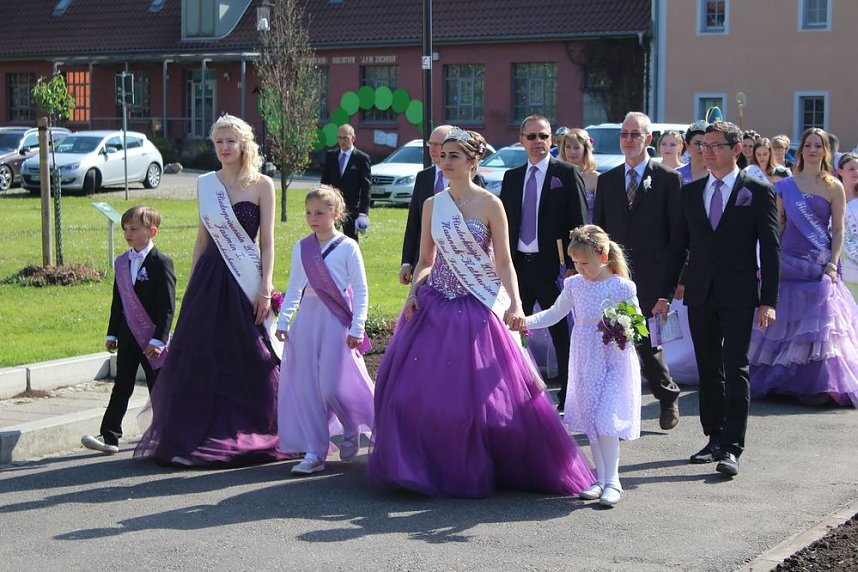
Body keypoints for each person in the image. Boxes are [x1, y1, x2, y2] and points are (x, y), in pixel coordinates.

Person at [368, 127, 595, 498]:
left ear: (473, 162)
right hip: (436, 303)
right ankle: (423, 463)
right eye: (442, 155)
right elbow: (427, 259)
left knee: (484, 400)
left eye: (454, 156)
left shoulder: (491, 204)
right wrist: (414, 291)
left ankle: (489, 462)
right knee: (418, 394)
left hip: (478, 304)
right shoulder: (432, 204)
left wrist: (517, 304)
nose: (444, 162)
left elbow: (504, 262)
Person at [134, 114, 283, 466]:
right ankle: (196, 435)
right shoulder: (205, 184)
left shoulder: (262, 185)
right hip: (210, 278)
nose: (224, 147)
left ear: (244, 143)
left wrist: (265, 287)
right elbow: (202, 237)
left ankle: (249, 428)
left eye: (230, 140)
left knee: (251, 357)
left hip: (245, 280)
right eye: (218, 142)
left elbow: (267, 242)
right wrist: (193, 282)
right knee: (201, 356)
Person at [655, 121, 780, 477]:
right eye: (702, 145)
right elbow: (678, 247)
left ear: (735, 149)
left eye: (714, 145)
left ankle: (732, 447)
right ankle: (713, 437)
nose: (706, 151)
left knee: (735, 366)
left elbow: (770, 250)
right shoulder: (691, 193)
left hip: (740, 295)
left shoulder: (756, 190)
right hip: (700, 293)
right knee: (707, 367)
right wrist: (665, 295)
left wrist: (767, 300)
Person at [526, 225, 641, 507]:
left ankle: (613, 481)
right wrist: (523, 321)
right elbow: (555, 313)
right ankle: (600, 478)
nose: (579, 268)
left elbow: (637, 322)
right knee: (592, 419)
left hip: (613, 358)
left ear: (603, 257)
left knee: (606, 419)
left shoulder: (621, 286)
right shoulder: (574, 285)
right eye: (575, 262)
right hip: (585, 359)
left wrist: (622, 327)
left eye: (584, 263)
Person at [749, 129, 858, 407]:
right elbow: (779, 227)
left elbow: (837, 230)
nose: (812, 149)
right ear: (800, 152)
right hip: (788, 262)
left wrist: (833, 263)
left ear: (825, 151)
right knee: (783, 325)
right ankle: (782, 381)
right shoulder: (785, 186)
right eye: (807, 145)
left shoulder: (834, 186)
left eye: (817, 145)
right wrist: (768, 264)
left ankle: (819, 384)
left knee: (819, 327)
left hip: (819, 266)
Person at [276, 185, 375, 475]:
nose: (313, 218)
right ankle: (314, 452)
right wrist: (284, 321)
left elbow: (360, 289)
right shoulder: (302, 247)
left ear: (336, 214)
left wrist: (358, 326)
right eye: (308, 212)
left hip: (336, 322)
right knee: (309, 389)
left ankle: (350, 427)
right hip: (307, 320)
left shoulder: (348, 247)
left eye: (319, 212)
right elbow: (294, 288)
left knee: (331, 386)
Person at [593, 111, 682, 430]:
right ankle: (611, 409)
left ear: (648, 139)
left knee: (646, 342)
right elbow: (600, 231)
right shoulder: (608, 180)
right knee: (613, 340)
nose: (629, 139)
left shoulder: (667, 180)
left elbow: (677, 236)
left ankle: (667, 395)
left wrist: (671, 286)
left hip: (651, 276)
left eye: (635, 134)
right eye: (624, 134)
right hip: (614, 276)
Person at [500, 115, 589, 411]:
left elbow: (580, 224)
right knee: (510, 331)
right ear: (521, 140)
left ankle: (568, 397)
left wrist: (576, 266)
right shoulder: (512, 178)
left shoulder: (565, 174)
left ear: (552, 141)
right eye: (531, 136)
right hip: (518, 267)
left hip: (555, 267)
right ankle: (512, 393)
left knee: (562, 333)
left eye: (543, 136)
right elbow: (503, 226)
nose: (538, 142)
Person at [81, 206, 176, 454]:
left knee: (159, 389)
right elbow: (118, 301)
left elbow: (167, 307)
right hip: (127, 337)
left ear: (151, 231)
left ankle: (169, 434)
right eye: (125, 228)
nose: (128, 233)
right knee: (121, 384)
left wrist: (159, 340)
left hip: (152, 341)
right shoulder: (122, 262)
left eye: (134, 228)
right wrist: (112, 333)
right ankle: (110, 436)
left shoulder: (162, 263)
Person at [399, 124, 485, 284]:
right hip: (425, 259)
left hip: (459, 262)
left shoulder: (474, 180)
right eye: (431, 144)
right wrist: (407, 262)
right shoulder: (423, 177)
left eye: (438, 144)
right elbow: (414, 221)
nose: (433, 148)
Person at [320, 124, 372, 241]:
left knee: (351, 240)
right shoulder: (331, 156)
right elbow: (324, 183)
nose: (342, 141)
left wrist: (363, 213)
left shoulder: (361, 159)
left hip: (352, 209)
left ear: (353, 138)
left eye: (345, 138)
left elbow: (366, 187)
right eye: (339, 138)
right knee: (328, 238)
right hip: (332, 207)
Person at [558, 127, 599, 222]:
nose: (572, 152)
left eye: (576, 147)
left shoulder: (595, 178)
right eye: (568, 147)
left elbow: (601, 213)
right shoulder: (556, 175)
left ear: (585, 149)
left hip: (587, 233)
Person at [837, 153, 858, 301]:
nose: (856, 172)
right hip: (842, 263)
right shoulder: (833, 198)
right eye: (851, 169)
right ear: (840, 171)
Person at [676, 120, 709, 185]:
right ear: (687, 146)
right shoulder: (678, 174)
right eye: (697, 143)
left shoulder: (716, 174)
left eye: (705, 144)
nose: (701, 148)